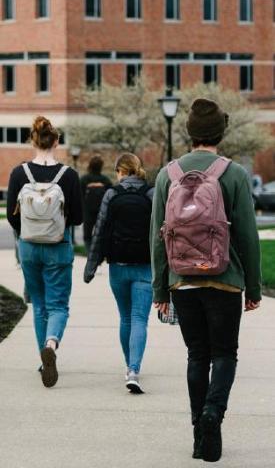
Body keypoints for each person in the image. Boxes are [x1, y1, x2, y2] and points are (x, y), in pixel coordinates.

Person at [150, 98, 261, 462]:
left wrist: (160, 288)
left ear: (190, 132)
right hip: (225, 279)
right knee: (225, 353)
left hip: (183, 281)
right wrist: (254, 287)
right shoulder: (234, 174)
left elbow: (157, 236)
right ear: (221, 132)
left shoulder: (168, 174)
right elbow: (246, 236)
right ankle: (215, 413)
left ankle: (199, 426)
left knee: (196, 354)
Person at [7, 116, 83, 388]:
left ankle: (43, 359)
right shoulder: (69, 176)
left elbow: (12, 218)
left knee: (38, 305)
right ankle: (51, 343)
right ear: (57, 142)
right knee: (58, 305)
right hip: (58, 247)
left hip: (28, 248)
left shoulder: (18, 173)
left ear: (32, 139)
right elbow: (78, 217)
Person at [84, 152, 154, 394]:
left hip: (118, 266)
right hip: (145, 266)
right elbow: (161, 233)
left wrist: (91, 266)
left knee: (125, 318)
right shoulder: (151, 194)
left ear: (120, 171)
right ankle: (134, 370)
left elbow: (100, 230)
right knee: (139, 319)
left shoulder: (112, 194)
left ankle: (129, 367)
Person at [80, 154, 112, 254]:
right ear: (101, 166)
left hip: (87, 212)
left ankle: (90, 254)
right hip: (101, 212)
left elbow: (79, 196)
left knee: (87, 236)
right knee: (101, 234)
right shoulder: (105, 180)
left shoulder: (84, 179)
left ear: (89, 165)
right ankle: (99, 254)